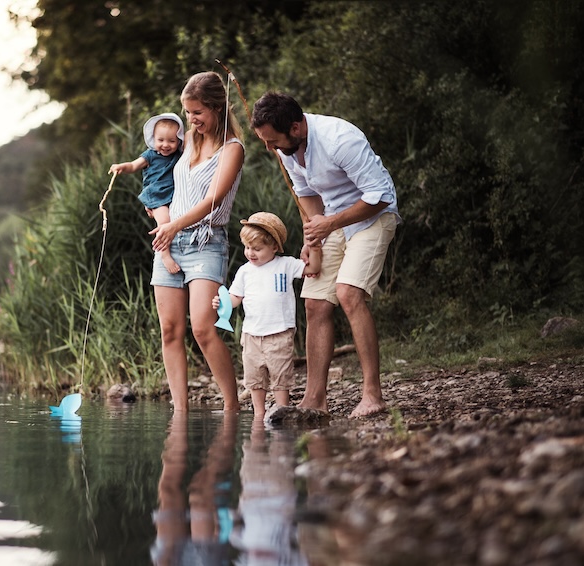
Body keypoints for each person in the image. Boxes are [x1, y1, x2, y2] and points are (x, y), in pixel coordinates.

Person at [251, 92, 401, 418]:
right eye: (265, 141)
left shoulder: (339, 139)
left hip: (373, 217)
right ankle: (315, 399)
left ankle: (372, 395)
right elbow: (306, 194)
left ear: (295, 127)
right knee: (315, 302)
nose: (270, 148)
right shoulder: (286, 149)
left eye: (273, 141)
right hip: (333, 221)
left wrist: (329, 223)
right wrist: (313, 236)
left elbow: (379, 196)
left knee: (348, 293)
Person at [150, 71, 245, 412]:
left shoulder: (233, 149)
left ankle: (232, 406)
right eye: (188, 112)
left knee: (204, 328)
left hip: (207, 242)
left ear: (217, 108)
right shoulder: (186, 139)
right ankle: (180, 411)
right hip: (170, 242)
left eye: (197, 112)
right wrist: (162, 219)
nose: (191, 120)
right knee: (170, 330)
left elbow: (213, 201)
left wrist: (173, 225)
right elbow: (156, 179)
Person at [212, 211, 321, 418]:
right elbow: (235, 297)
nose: (250, 253)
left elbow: (313, 268)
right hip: (252, 334)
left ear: (274, 247)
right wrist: (222, 302)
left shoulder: (286, 264)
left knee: (281, 375)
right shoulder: (245, 271)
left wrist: (314, 247)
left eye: (257, 249)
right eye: (247, 248)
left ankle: (281, 410)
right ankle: (259, 414)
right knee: (254, 377)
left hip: (279, 333)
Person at [109, 113, 186, 274]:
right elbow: (133, 165)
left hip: (174, 195)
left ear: (179, 140)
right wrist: (122, 167)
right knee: (164, 222)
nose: (165, 145)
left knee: (176, 220)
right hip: (156, 195)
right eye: (161, 140)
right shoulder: (150, 155)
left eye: (171, 141)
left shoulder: (179, 156)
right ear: (153, 139)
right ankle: (164, 254)